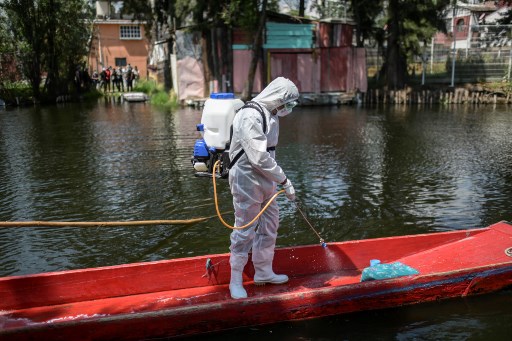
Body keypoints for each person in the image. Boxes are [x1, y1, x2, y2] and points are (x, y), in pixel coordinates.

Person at [228, 77, 299, 299]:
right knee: (245, 228)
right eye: (287, 103)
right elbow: (259, 157)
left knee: (270, 224)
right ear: (278, 98)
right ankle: (235, 280)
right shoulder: (250, 115)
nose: (287, 108)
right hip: (246, 178)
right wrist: (284, 180)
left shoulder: (271, 115)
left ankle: (263, 271)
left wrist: (276, 179)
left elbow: (268, 155)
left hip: (265, 178)